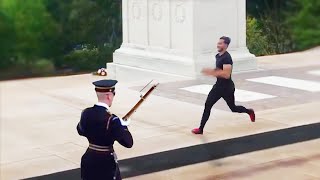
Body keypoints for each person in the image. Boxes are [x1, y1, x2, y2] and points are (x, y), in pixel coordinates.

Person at [192, 36, 255, 135]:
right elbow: (219, 71)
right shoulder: (218, 56)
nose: (218, 45)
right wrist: (213, 72)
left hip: (227, 88)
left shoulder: (227, 58)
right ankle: (201, 129)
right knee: (207, 105)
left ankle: (249, 111)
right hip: (218, 87)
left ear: (226, 45)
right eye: (218, 43)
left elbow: (226, 75)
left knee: (233, 108)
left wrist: (212, 72)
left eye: (220, 43)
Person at [77, 79, 133, 180]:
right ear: (109, 95)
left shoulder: (86, 113)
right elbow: (128, 143)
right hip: (105, 162)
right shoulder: (112, 119)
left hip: (89, 158)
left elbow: (80, 131)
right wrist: (123, 126)